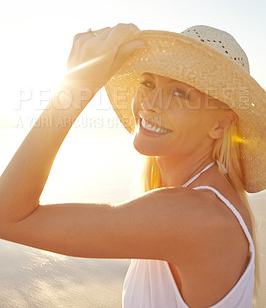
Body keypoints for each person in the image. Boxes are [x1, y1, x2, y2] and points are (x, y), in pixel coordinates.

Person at [0, 23, 265, 308]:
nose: (150, 103)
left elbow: (7, 216)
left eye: (179, 94)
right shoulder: (206, 200)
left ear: (220, 125)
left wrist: (75, 89)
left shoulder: (194, 216)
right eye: (148, 83)